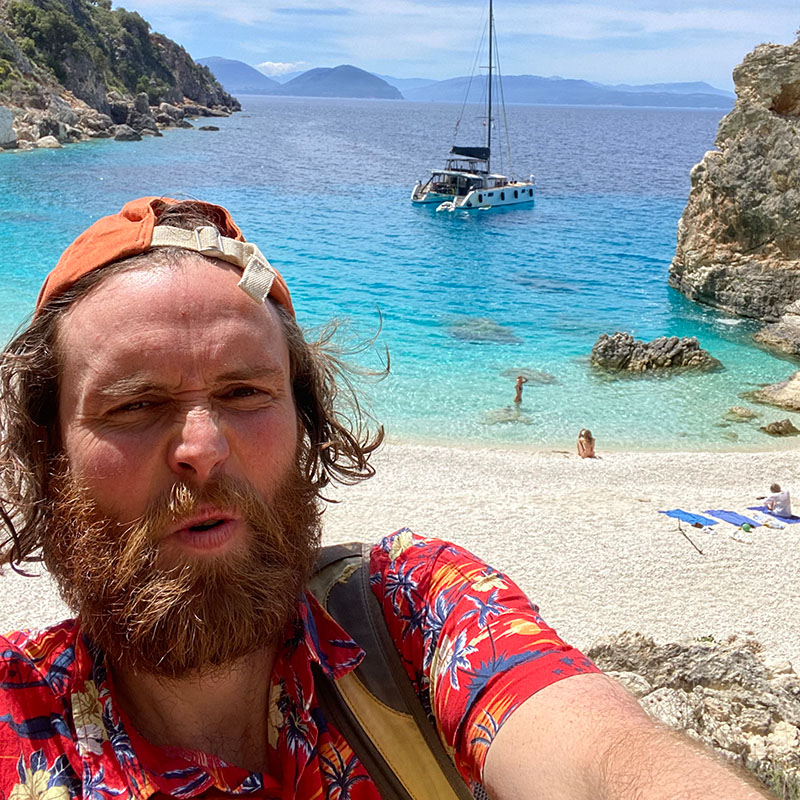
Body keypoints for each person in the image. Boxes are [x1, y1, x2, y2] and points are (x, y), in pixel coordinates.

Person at [0, 197, 773, 800]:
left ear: (305, 425)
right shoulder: (17, 715)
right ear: (49, 450)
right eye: (133, 406)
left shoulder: (409, 615)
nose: (202, 449)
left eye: (243, 391)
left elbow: (600, 756)